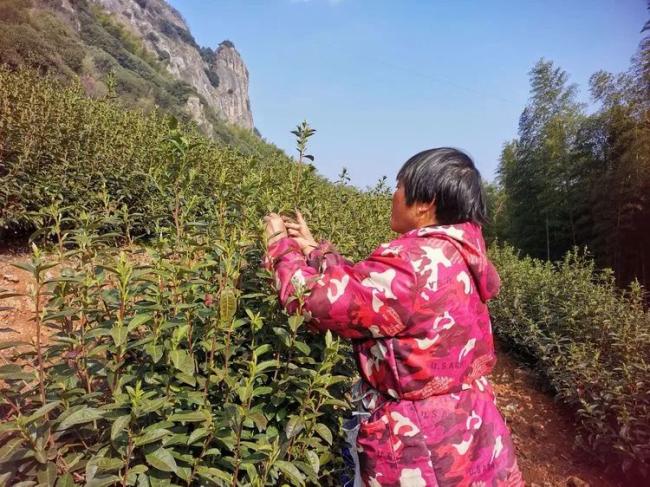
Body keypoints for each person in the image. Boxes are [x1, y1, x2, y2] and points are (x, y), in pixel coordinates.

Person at [262, 148, 524, 487]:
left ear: (425, 202)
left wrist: (279, 247)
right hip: (470, 422)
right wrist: (316, 252)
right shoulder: (458, 253)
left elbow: (314, 301)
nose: (393, 194)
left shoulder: (412, 261)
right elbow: (373, 301)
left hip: (420, 442)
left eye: (399, 186)